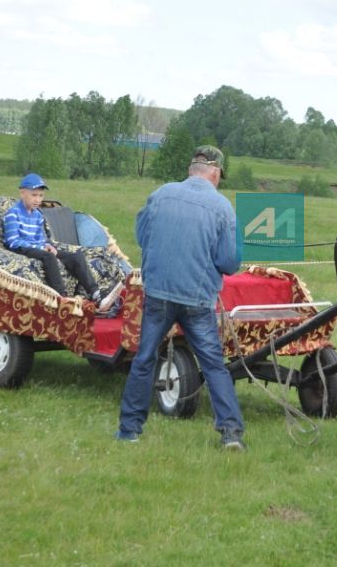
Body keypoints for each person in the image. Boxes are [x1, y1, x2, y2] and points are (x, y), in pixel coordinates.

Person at [116, 146, 246, 450]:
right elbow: (229, 263)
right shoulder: (223, 207)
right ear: (214, 173)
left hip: (158, 295)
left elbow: (142, 236)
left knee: (144, 359)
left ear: (192, 170)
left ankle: (129, 431)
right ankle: (231, 434)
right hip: (198, 301)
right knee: (214, 365)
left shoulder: (160, 194)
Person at [3, 172, 107, 307]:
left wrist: (47, 245)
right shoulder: (13, 213)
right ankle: (61, 297)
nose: (38, 200)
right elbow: (12, 241)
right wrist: (40, 248)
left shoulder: (37, 215)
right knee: (49, 257)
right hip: (21, 248)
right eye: (34, 195)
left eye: (41, 196)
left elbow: (40, 238)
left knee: (76, 257)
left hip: (37, 248)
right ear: (22, 193)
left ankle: (95, 294)